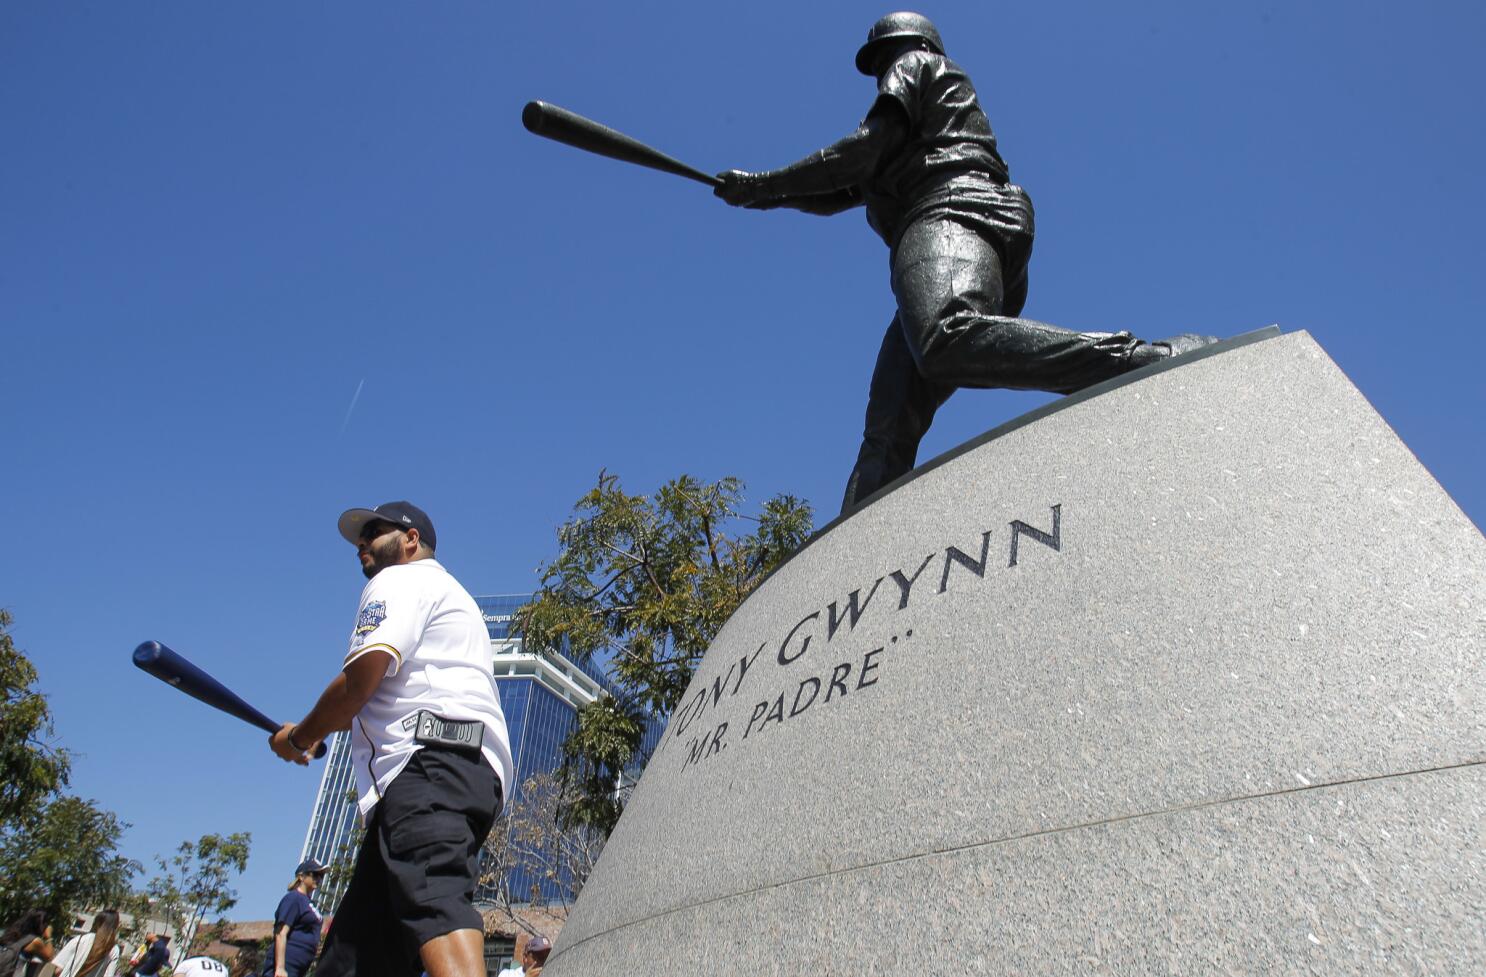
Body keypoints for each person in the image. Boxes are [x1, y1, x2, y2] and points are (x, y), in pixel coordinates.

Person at [715, 12, 1220, 513]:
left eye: (881, 60)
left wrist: (765, 183)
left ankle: (1142, 359)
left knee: (945, 339)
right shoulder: (904, 136)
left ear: (911, 46)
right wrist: (764, 196)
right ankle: (852, 544)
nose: (880, 73)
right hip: (952, 240)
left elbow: (860, 153)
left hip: (952, 212)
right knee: (889, 424)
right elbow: (836, 190)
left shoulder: (916, 66)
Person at [268, 501, 514, 977]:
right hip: (459, 770)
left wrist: (299, 737)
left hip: (427, 766)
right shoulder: (453, 596)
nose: (362, 542)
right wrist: (315, 736)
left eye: (374, 532)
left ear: (411, 540)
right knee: (353, 959)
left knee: (436, 900)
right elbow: (391, 696)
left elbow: (361, 683)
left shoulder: (399, 580)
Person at [259, 859, 327, 977]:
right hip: (287, 965)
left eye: (321, 875)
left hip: (299, 968)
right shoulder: (294, 898)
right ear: (301, 876)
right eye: (315, 874)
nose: (319, 878)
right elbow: (281, 933)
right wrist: (280, 968)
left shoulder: (309, 903)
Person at [49, 911, 121, 977]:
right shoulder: (114, 949)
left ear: (97, 923)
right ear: (116, 926)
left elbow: (58, 970)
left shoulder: (80, 939)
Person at [1, 911, 53, 977]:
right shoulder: (35, 941)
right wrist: (48, 937)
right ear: (42, 925)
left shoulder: (10, 934)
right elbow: (49, 957)